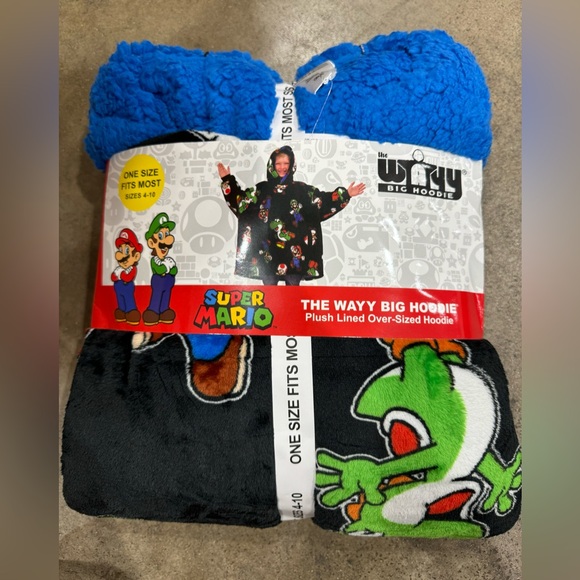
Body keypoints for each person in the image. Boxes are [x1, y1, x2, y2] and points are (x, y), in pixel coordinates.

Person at [217, 145, 365, 285]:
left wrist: (346, 194)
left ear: (291, 164)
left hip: (294, 255)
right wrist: (227, 180)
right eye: (278, 163)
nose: (282, 167)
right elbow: (241, 202)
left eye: (286, 163)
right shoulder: (261, 189)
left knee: (293, 288)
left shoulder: (301, 190)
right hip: (268, 252)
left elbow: (322, 201)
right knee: (269, 291)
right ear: (272, 165)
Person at [142, 212, 178, 325]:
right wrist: (168, 268)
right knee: (157, 296)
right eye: (161, 236)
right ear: (151, 242)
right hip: (158, 280)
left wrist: (171, 270)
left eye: (167, 234)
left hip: (168, 280)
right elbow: (159, 269)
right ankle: (153, 311)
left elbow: (174, 270)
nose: (166, 242)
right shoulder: (155, 260)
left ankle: (164, 311)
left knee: (166, 295)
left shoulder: (169, 260)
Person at [111, 227, 142, 324]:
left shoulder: (132, 268)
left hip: (127, 286)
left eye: (127, 250)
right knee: (120, 299)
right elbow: (113, 277)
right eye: (121, 250)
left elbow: (128, 277)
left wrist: (120, 275)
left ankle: (131, 312)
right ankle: (121, 311)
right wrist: (116, 276)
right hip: (118, 287)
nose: (122, 255)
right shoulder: (118, 268)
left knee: (128, 299)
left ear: (136, 256)